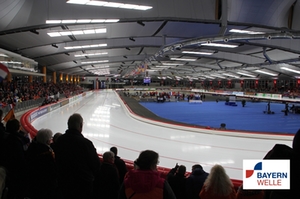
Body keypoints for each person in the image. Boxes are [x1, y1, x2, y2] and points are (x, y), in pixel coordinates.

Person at [55, 113, 101, 199]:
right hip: (82, 185)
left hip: (63, 182)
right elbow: (96, 165)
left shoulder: (60, 140)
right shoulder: (86, 143)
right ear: (80, 125)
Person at [25, 128, 57, 199]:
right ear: (48, 141)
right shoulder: (46, 154)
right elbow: (52, 172)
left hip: (33, 184)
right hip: (44, 187)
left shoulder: (31, 148)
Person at [0, 119, 29, 199]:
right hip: (16, 172)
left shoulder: (5, 137)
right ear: (17, 128)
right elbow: (21, 158)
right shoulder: (17, 140)